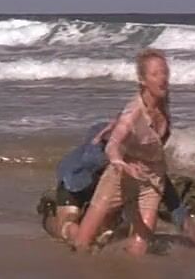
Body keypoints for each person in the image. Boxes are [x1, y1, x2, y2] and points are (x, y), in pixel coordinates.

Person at [72, 48, 174, 256]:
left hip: (152, 179)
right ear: (143, 80)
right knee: (82, 242)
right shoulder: (133, 112)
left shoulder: (163, 101)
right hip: (120, 176)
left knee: (140, 247)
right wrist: (119, 162)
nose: (162, 78)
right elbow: (114, 143)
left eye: (164, 72)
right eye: (155, 74)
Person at [39, 121, 195, 248]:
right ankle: (59, 224)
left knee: (105, 227)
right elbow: (90, 156)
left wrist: (192, 234)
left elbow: (173, 202)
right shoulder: (96, 155)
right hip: (77, 180)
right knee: (68, 225)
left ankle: (89, 234)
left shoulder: (144, 162)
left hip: (95, 180)